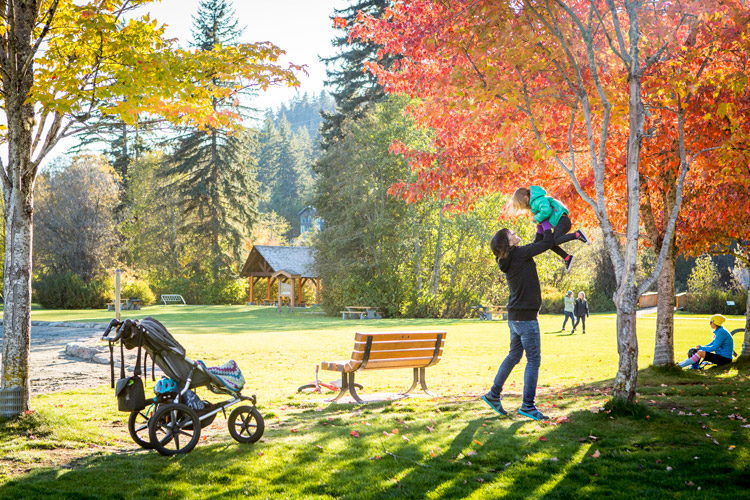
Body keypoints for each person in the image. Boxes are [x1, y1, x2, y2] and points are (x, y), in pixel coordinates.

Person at [482, 219, 554, 421]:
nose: (515, 233)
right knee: (533, 361)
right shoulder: (519, 254)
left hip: (515, 317)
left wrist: (540, 227)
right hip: (526, 318)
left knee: (514, 356)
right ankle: (528, 406)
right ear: (509, 242)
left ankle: (493, 395)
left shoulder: (513, 257)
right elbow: (546, 244)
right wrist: (547, 224)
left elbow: (538, 244)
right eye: (512, 233)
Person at [507, 186, 588, 272]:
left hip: (562, 220)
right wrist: (537, 242)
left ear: (525, 198)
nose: (523, 208)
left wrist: (536, 218)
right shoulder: (534, 206)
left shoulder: (538, 200)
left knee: (555, 240)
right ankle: (567, 257)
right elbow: (542, 223)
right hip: (559, 223)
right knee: (548, 243)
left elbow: (547, 211)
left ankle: (577, 234)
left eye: (522, 205)